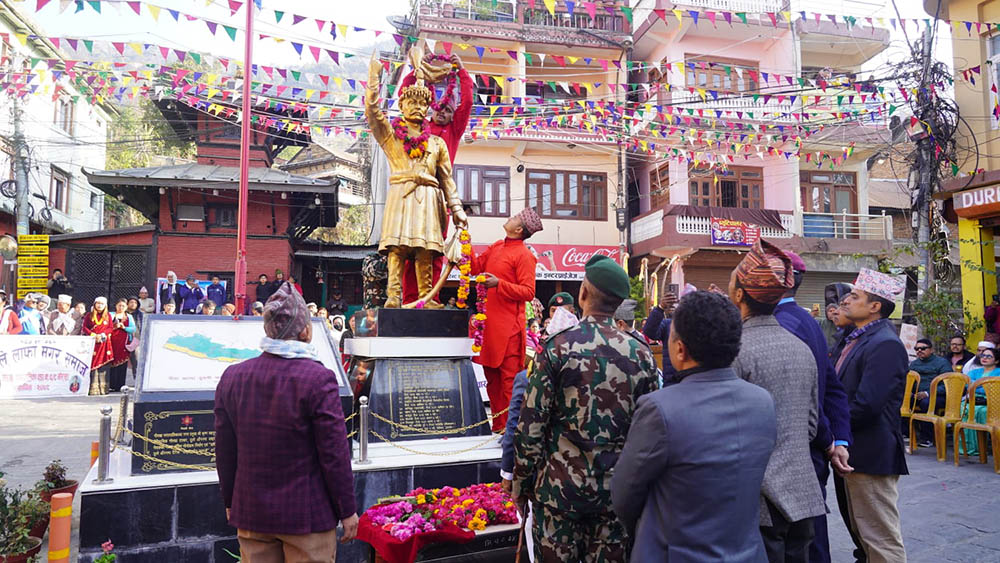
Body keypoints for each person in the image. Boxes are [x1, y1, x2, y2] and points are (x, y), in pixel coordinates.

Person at [612, 291, 777, 562]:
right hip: (747, 551)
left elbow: (624, 493)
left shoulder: (660, 408)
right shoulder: (762, 401)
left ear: (680, 349)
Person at [513, 254, 658, 562]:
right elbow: (649, 431)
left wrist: (521, 484)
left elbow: (531, 427)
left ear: (582, 293)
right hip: (615, 495)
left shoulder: (556, 348)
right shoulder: (641, 354)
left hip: (558, 493)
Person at [215, 282, 358, 560]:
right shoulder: (318, 378)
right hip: (307, 516)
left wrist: (230, 500)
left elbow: (224, 449)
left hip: (252, 512)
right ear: (305, 331)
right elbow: (334, 454)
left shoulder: (233, 376)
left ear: (268, 330)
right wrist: (347, 509)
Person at [727, 240, 826, 563]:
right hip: (801, 494)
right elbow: (811, 425)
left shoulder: (735, 350)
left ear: (739, 294)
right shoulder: (801, 349)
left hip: (758, 500)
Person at [774, 251, 853, 563]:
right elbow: (832, 387)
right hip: (813, 448)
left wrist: (827, 438)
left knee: (800, 542)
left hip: (796, 449)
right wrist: (838, 439)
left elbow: (803, 396)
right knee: (812, 535)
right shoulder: (805, 320)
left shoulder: (782, 325)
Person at [836, 268, 908, 563]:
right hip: (855, 450)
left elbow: (868, 404)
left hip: (871, 452)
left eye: (855, 296)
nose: (846, 301)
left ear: (875, 306)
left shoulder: (885, 344)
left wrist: (832, 427)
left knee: (880, 539)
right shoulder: (857, 338)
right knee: (863, 534)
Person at [400, 52, 474, 304]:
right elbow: (405, 96)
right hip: (410, 191)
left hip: (438, 195)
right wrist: (416, 71)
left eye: (449, 109)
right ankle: (409, 298)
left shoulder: (452, 131)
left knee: (433, 249)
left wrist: (461, 71)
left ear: (454, 116)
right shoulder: (421, 128)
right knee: (406, 247)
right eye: (439, 107)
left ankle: (430, 297)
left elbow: (467, 103)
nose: (443, 111)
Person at [471, 207, 542, 431]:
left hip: (510, 329)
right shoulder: (496, 246)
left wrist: (499, 284)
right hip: (489, 327)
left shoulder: (525, 255)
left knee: (509, 382)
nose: (509, 218)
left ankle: (513, 432)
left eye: (514, 218)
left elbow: (528, 292)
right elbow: (474, 266)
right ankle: (498, 427)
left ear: (519, 229)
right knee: (491, 378)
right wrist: (463, 244)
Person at [908, 338, 953, 447]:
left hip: (938, 396)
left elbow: (948, 385)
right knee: (898, 400)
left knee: (926, 403)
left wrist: (927, 393)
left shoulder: (942, 363)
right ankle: (905, 434)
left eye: (923, 348)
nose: (919, 350)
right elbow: (909, 381)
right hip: (917, 395)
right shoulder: (914, 364)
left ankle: (927, 438)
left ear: (931, 350)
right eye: (916, 348)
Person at [961, 348, 995, 456]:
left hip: (992, 402)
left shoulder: (998, 372)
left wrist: (977, 385)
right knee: (963, 408)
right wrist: (983, 386)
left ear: (997, 360)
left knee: (981, 411)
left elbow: (994, 389)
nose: (984, 358)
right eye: (983, 356)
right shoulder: (974, 372)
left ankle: (984, 447)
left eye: (988, 356)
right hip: (973, 400)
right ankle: (968, 448)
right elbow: (968, 386)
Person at [642, 291, 679, 384]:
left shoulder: (697, 324)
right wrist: (660, 308)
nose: (672, 306)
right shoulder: (667, 324)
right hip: (672, 380)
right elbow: (649, 331)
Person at [83, 297, 115, 395]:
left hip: (104, 343)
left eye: (102, 304)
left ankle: (103, 388)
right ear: (94, 304)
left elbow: (110, 328)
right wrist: (93, 335)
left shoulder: (108, 316)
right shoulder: (89, 315)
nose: (99, 305)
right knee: (93, 365)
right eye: (98, 303)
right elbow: (84, 327)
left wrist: (102, 335)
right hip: (93, 342)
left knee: (104, 366)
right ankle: (93, 389)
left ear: (105, 305)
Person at [107, 299, 135, 393]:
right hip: (111, 342)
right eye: (119, 305)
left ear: (126, 307)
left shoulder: (129, 317)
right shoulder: (110, 315)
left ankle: (120, 385)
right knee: (110, 362)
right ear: (116, 306)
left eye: (123, 306)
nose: (121, 307)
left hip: (123, 343)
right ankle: (110, 384)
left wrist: (124, 327)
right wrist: (114, 326)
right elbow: (106, 327)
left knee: (122, 365)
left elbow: (133, 329)